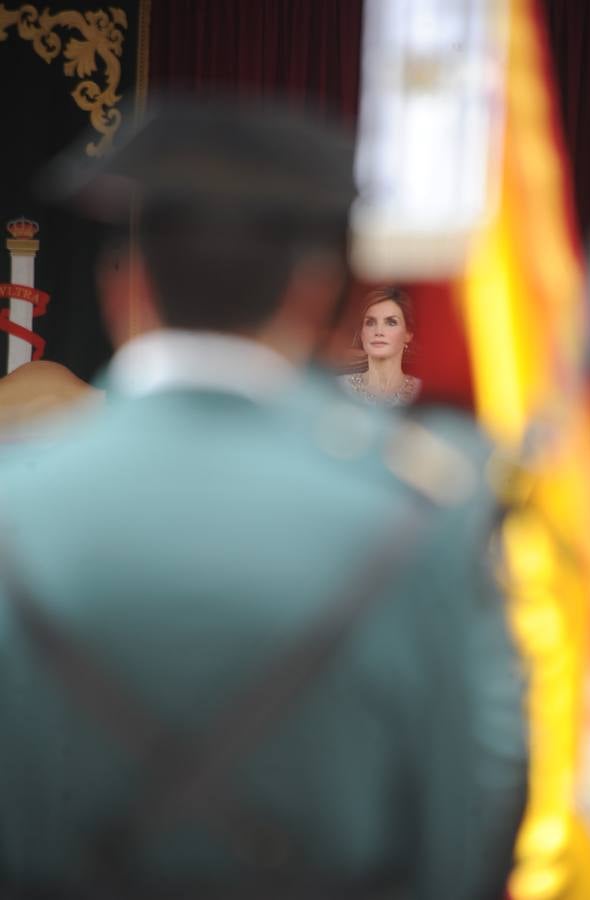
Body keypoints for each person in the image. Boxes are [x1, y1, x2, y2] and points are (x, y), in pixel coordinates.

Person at [0, 96, 526, 899]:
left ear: (127, 287)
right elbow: (467, 815)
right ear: (314, 293)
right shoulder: (418, 508)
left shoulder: (19, 498)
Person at [341, 287, 422, 406]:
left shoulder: (422, 393)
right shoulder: (337, 389)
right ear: (361, 333)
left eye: (391, 322)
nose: (378, 331)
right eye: (370, 322)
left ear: (408, 334)